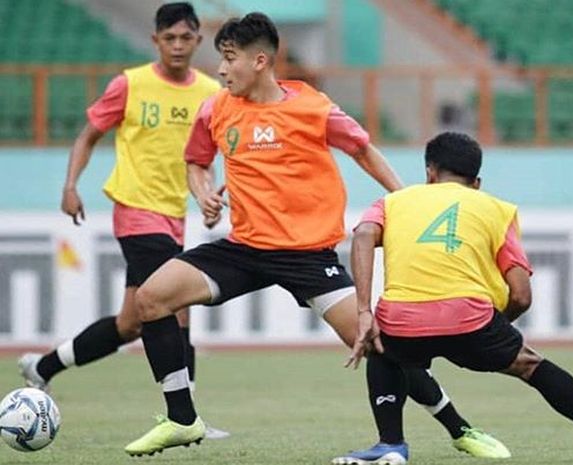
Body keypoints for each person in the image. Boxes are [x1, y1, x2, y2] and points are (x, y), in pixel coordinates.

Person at [123, 12, 509, 459]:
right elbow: (196, 161)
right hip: (244, 248)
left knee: (378, 342)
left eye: (229, 59)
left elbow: (362, 149)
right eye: (220, 60)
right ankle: (182, 420)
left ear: (261, 61)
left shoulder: (312, 108)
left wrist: (405, 204)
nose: (222, 70)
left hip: (307, 255)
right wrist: (204, 191)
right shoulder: (215, 108)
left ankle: (459, 428)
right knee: (149, 299)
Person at [335, 132, 573, 464]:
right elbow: (521, 295)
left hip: (404, 321)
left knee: (381, 347)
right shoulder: (496, 209)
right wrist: (491, 329)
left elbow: (363, 233)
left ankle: (390, 445)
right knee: (532, 366)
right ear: (476, 182)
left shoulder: (393, 202)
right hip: (472, 321)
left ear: (429, 172)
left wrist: (364, 310)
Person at [17, 2, 228, 440]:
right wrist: (70, 185)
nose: (176, 45)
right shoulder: (130, 85)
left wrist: (206, 197)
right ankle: (187, 418)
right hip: (135, 210)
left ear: (197, 40)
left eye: (184, 37)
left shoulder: (210, 93)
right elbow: (88, 134)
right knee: (177, 305)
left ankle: (43, 365)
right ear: (155, 40)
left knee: (131, 322)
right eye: (168, 37)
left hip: (173, 214)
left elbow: (203, 160)